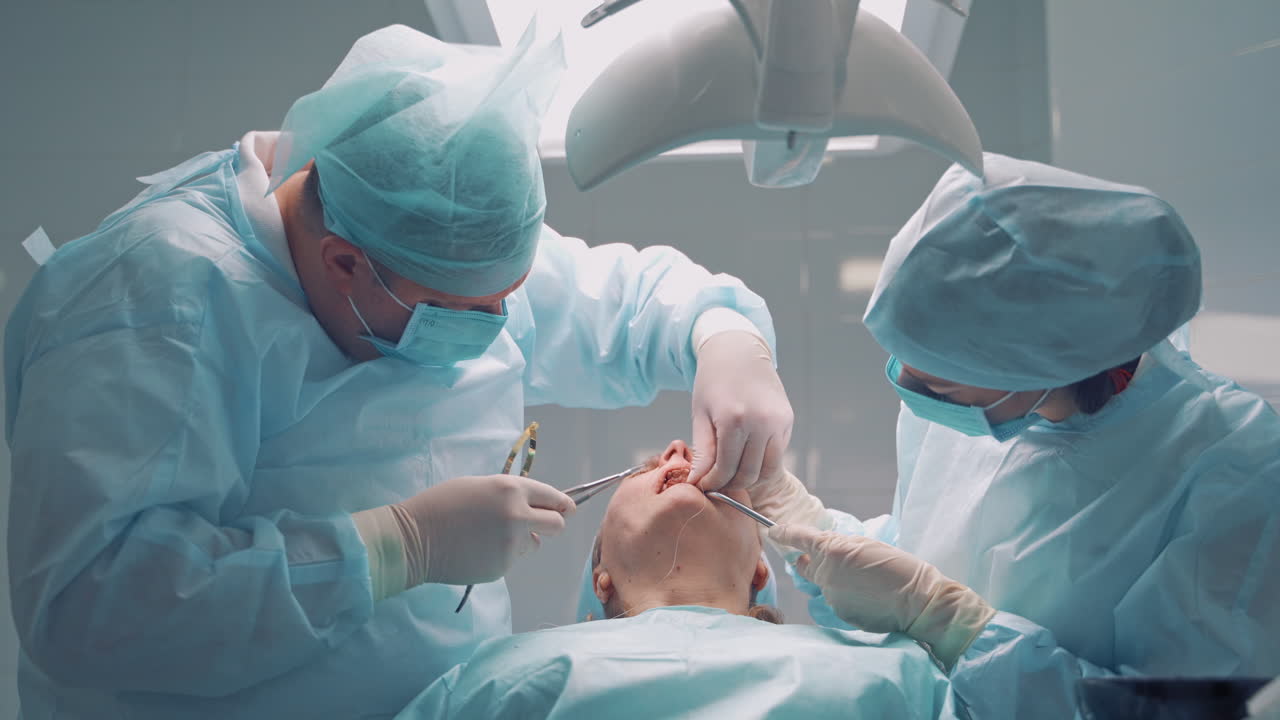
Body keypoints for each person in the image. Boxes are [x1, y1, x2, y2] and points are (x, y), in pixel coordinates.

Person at [2, 23, 793, 720]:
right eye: (462, 313)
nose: (497, 327)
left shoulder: (446, 243)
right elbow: (89, 609)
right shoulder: (153, 302)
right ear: (344, 262)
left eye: (507, 299)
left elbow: (629, 303)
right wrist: (396, 548)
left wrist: (722, 336)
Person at [729, 153, 1280, 719]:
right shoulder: (967, 404)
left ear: (1048, 367)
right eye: (903, 359)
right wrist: (799, 517)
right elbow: (913, 573)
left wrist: (947, 622)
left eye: (937, 380)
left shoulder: (1234, 470)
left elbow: (1176, 713)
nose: (910, 387)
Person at [394, 441, 961, 719]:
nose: (679, 453)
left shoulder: (899, 672)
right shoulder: (499, 678)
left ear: (762, 568)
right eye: (648, 470)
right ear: (603, 579)